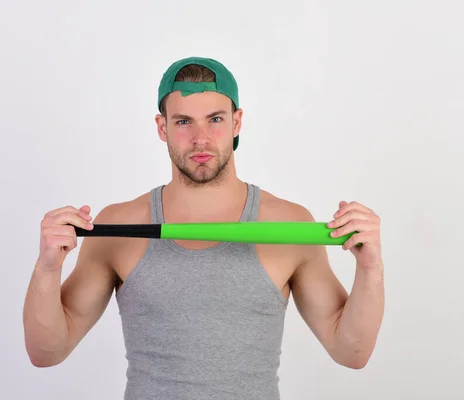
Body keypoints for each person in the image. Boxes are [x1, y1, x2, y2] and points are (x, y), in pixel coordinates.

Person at [23, 56, 385, 400]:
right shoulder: (120, 226)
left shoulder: (289, 225)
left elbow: (350, 351)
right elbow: (47, 352)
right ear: (162, 127)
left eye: (215, 119)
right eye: (183, 121)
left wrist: (370, 268)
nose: (200, 138)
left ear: (236, 122)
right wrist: (47, 268)